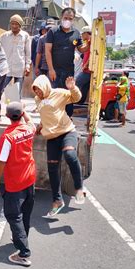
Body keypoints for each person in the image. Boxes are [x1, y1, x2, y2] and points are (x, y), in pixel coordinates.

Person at [32, 75, 84, 217]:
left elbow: (76, 98)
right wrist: (40, 126)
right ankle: (57, 201)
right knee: (53, 169)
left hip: (67, 131)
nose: (37, 93)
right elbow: (46, 115)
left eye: (39, 90)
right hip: (52, 137)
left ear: (45, 87)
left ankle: (79, 189)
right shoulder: (38, 100)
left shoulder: (59, 93)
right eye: (35, 90)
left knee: (69, 154)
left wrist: (73, 88)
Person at [0, 102, 36, 267]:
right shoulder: (29, 129)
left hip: (15, 182)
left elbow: (2, 161)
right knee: (26, 211)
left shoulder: (8, 136)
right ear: (21, 114)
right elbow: (30, 120)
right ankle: (22, 237)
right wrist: (24, 112)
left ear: (8, 116)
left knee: (12, 215)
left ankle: (24, 253)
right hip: (30, 178)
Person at [45, 7, 88, 116]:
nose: (67, 20)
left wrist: (90, 44)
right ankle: (53, 118)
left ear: (73, 20)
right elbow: (48, 51)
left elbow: (80, 49)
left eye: (70, 18)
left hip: (69, 71)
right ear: (61, 18)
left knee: (68, 94)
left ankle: (67, 118)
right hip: (55, 71)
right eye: (65, 18)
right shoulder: (53, 31)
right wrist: (51, 69)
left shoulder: (76, 33)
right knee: (54, 94)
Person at [0, 14, 31, 98]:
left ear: (20, 25)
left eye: (16, 24)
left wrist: (27, 66)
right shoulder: (4, 36)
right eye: (12, 24)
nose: (14, 26)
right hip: (6, 67)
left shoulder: (25, 36)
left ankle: (13, 109)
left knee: (16, 91)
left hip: (19, 67)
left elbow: (28, 53)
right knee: (0, 88)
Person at [75, 26, 93, 104]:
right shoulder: (88, 42)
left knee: (76, 83)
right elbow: (82, 50)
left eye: (82, 34)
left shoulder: (92, 41)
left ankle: (74, 100)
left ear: (86, 33)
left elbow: (92, 55)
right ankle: (80, 102)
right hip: (88, 70)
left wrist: (86, 65)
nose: (81, 36)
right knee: (85, 88)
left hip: (87, 70)